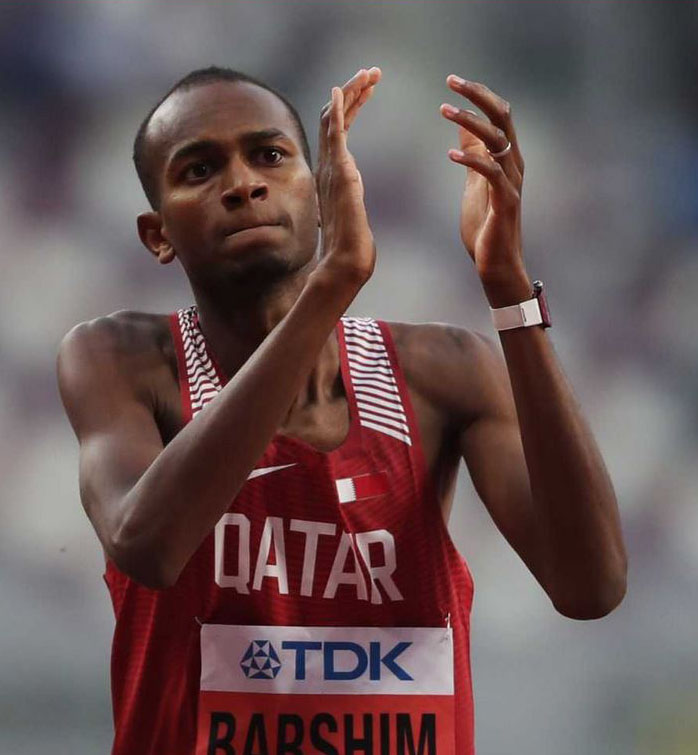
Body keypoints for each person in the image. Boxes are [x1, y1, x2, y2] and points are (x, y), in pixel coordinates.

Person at [57, 64, 627, 755]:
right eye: (200, 170)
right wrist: (333, 282)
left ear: (321, 195)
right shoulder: (122, 358)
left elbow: (590, 585)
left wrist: (508, 291)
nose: (242, 184)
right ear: (158, 234)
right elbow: (147, 546)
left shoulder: (443, 372)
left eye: (268, 156)